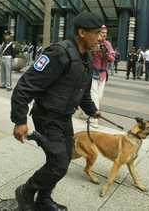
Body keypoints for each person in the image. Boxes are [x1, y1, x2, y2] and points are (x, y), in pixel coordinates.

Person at [10, 12, 103, 211]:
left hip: (63, 117)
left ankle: (44, 199)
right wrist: (19, 120)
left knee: (63, 158)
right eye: (97, 33)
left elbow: (83, 91)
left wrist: (92, 110)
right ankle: (26, 191)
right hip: (46, 116)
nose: (101, 38)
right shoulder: (58, 53)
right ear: (82, 32)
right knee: (59, 163)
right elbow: (25, 86)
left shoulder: (86, 57)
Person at [90, 25, 115, 128]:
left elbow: (112, 58)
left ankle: (85, 111)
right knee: (94, 96)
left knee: (99, 97)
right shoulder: (92, 42)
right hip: (92, 72)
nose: (104, 35)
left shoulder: (107, 44)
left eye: (105, 33)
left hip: (103, 74)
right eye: (102, 33)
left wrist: (106, 54)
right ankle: (94, 119)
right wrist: (95, 49)